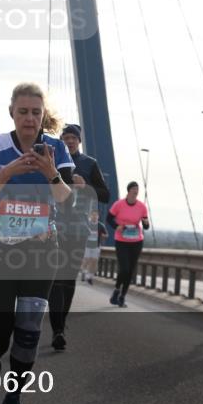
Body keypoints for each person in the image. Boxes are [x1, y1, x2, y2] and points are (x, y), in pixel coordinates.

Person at [0, 82, 74, 404]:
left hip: (41, 250)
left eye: (35, 112)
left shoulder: (57, 149)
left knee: (29, 328)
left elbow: (67, 200)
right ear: (11, 112)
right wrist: (12, 169)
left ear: (43, 115)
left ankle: (14, 397)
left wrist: (50, 172)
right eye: (23, 112)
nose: (29, 119)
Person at [49, 123, 111, 350]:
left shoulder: (89, 164)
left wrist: (86, 186)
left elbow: (105, 195)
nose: (69, 140)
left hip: (78, 229)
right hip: (53, 226)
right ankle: (57, 330)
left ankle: (61, 324)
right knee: (56, 277)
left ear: (79, 141)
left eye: (73, 137)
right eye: (65, 137)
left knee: (68, 279)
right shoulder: (52, 161)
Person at [107, 182, 149, 308]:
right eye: (134, 189)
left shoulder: (142, 206)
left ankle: (122, 297)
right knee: (124, 268)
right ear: (129, 191)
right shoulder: (119, 204)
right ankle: (116, 290)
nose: (136, 191)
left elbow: (146, 226)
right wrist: (117, 226)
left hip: (136, 241)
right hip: (121, 241)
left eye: (137, 189)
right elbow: (109, 218)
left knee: (130, 271)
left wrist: (146, 222)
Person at [79, 210, 107, 285]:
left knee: (94, 261)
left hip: (96, 246)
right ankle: (84, 272)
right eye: (93, 215)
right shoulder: (87, 225)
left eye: (96, 215)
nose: (94, 217)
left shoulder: (101, 225)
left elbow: (106, 235)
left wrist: (101, 235)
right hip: (87, 245)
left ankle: (89, 277)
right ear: (90, 216)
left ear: (98, 216)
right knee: (86, 260)